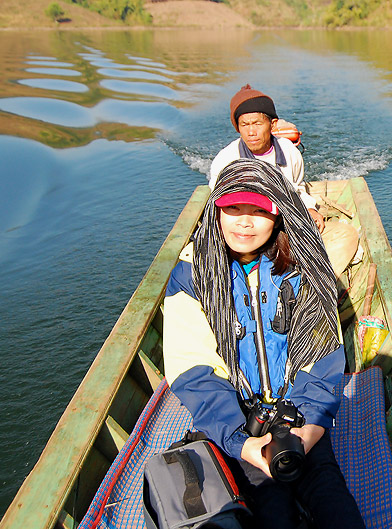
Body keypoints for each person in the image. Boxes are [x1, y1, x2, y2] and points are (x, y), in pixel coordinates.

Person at [163, 159, 365, 529]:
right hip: (239, 420)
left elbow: (323, 357)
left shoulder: (305, 270)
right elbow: (193, 372)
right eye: (233, 208)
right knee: (272, 515)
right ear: (216, 210)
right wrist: (241, 443)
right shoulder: (191, 277)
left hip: (299, 414)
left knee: (338, 510)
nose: (244, 221)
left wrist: (311, 428)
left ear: (279, 214)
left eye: (259, 210)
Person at [209, 84, 325, 232]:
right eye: (244, 125)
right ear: (237, 127)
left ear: (272, 124)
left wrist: (310, 208)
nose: (251, 132)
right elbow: (223, 205)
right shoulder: (226, 160)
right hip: (246, 227)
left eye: (257, 124)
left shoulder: (289, 151)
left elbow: (297, 187)